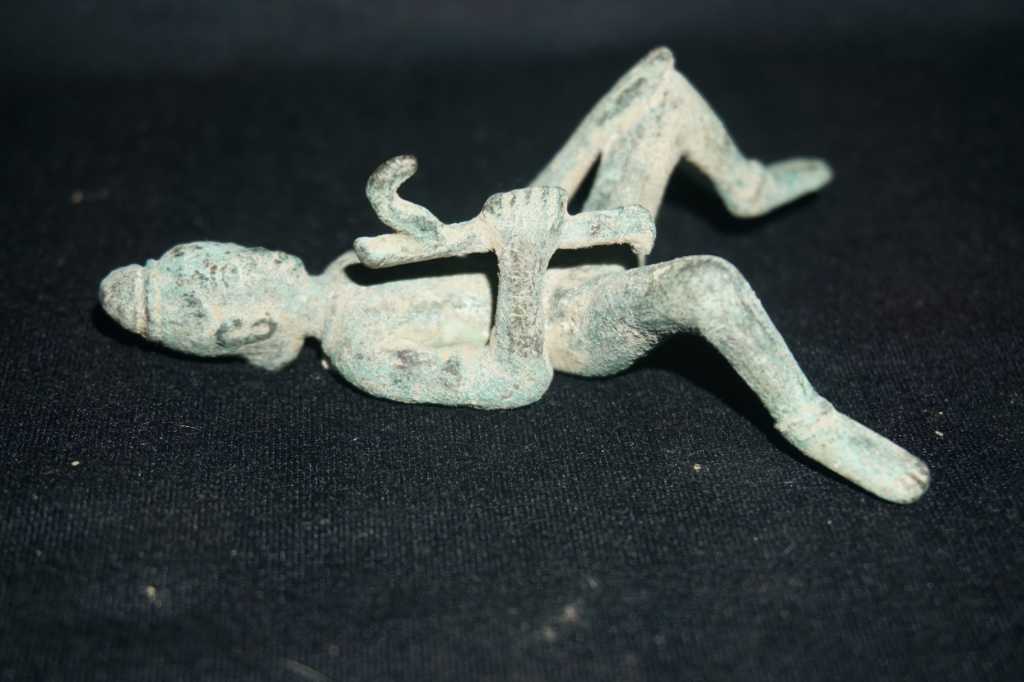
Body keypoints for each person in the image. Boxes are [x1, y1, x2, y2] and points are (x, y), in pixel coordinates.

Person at [99, 48, 929, 503]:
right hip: (578, 321)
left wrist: (539, 193)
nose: (255, 254)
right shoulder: (360, 352)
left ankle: (741, 186)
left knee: (656, 89)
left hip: (562, 250)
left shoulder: (350, 265)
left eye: (230, 250)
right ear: (247, 328)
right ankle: (811, 419)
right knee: (706, 284)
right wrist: (528, 253)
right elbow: (515, 379)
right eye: (240, 271)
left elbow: (486, 241)